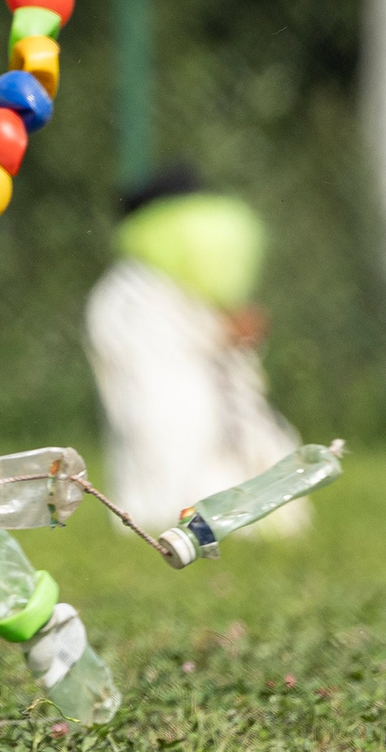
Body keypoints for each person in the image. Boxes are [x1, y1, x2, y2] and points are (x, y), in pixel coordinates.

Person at [84, 165, 312, 538]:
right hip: (166, 415)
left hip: (214, 418)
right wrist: (219, 331)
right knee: (172, 462)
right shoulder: (131, 290)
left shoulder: (167, 282)